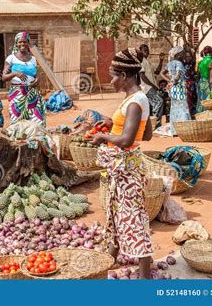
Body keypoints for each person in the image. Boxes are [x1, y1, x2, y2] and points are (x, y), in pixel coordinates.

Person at [90, 48, 153, 279]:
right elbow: (145, 135)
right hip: (122, 167)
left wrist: (103, 137)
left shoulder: (136, 102)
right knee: (116, 212)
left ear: (125, 76)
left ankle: (145, 275)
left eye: (114, 75)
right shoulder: (135, 99)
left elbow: (127, 140)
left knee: (133, 217)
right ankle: (111, 257)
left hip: (127, 168)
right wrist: (111, 125)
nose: (111, 79)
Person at [2, 31, 46, 126]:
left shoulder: (33, 59)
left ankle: (34, 140)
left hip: (32, 93)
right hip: (17, 93)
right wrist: (15, 73)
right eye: (20, 42)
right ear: (16, 44)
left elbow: (35, 75)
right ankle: (17, 140)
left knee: (37, 121)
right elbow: (4, 77)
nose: (22, 44)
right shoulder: (11, 58)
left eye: (25, 42)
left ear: (28, 43)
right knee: (16, 121)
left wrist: (37, 80)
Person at [166, 46, 191, 136]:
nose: (184, 55)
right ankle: (184, 129)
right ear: (178, 55)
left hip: (173, 88)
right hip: (179, 87)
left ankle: (175, 130)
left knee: (174, 108)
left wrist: (170, 81)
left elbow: (162, 73)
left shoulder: (170, 63)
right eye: (183, 53)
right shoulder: (179, 63)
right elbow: (178, 74)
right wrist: (175, 80)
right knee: (183, 107)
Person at [139, 44, 165, 128]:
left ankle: (151, 124)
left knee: (151, 105)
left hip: (149, 87)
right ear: (141, 51)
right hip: (146, 88)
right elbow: (142, 76)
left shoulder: (147, 61)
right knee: (159, 101)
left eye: (147, 50)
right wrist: (153, 86)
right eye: (144, 50)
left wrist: (161, 60)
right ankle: (156, 124)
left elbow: (157, 72)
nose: (147, 52)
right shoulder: (141, 61)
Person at [196, 46, 212, 113]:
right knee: (208, 100)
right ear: (211, 53)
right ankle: (207, 115)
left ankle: (201, 114)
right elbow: (211, 73)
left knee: (201, 99)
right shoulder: (211, 61)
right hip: (208, 82)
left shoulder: (201, 62)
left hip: (201, 82)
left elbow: (198, 73)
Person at [183, 51, 198, 116]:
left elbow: (195, 73)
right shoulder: (182, 64)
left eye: (189, 56)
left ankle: (193, 113)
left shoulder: (194, 63)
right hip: (185, 84)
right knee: (187, 99)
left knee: (193, 97)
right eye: (186, 56)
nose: (188, 58)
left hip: (192, 84)